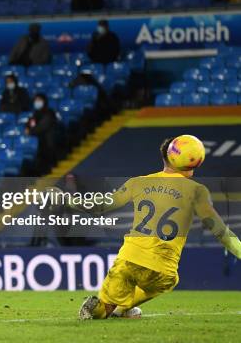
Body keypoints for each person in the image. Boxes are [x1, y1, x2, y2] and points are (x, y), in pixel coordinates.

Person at [78, 136, 241, 320]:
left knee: (101, 311)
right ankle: (123, 308)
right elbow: (219, 230)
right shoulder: (196, 190)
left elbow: (100, 206)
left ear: (167, 157)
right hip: (163, 271)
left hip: (129, 260)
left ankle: (102, 308)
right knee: (169, 281)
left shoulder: (138, 182)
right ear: (196, 161)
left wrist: (66, 200)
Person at [24, 93, 58, 174]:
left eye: (39, 100)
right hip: (37, 141)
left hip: (47, 143)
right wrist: (28, 128)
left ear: (44, 101)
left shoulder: (49, 113)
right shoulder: (34, 114)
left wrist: (31, 131)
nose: (37, 102)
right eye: (36, 100)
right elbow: (29, 124)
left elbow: (43, 126)